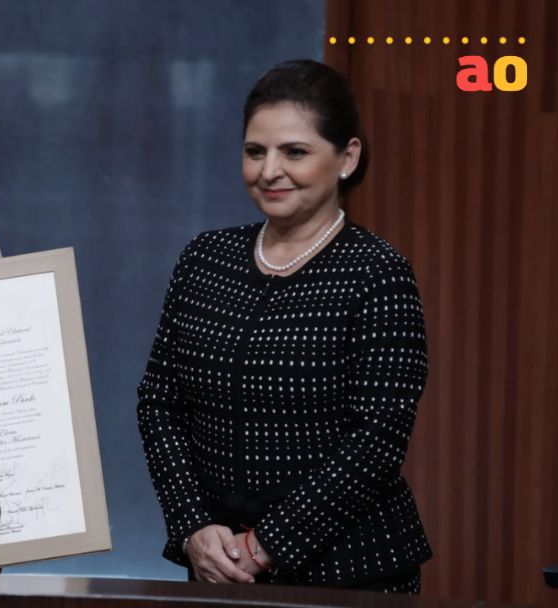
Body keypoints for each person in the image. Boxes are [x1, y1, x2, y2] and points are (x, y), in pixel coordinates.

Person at [137, 59, 431, 593]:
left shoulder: (378, 273)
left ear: (347, 157)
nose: (269, 170)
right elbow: (160, 404)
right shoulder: (205, 259)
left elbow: (378, 440)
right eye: (255, 151)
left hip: (351, 577)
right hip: (218, 571)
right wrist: (193, 528)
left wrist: (266, 544)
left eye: (294, 152)